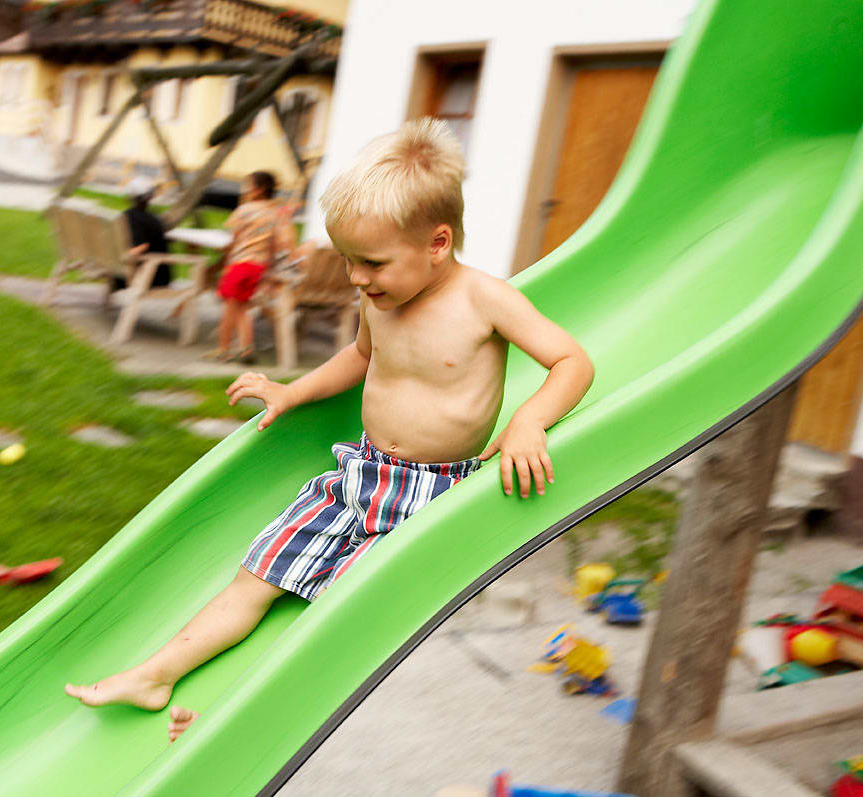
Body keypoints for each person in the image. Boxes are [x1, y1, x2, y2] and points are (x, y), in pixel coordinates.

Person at [65, 119, 595, 742]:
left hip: (430, 496)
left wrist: (529, 420)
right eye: (347, 260)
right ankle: (155, 675)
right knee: (258, 573)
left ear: (438, 242)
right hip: (357, 473)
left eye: (372, 263)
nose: (357, 278)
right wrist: (292, 391)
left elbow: (572, 361)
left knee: (334, 615)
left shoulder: (486, 300)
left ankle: (233, 719)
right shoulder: (379, 300)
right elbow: (360, 357)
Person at [208, 170, 292, 364]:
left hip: (240, 264)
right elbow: (276, 244)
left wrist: (225, 256)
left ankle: (223, 349)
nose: (243, 189)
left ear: (258, 189)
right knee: (243, 308)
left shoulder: (245, 210)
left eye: (247, 185)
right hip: (258, 267)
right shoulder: (274, 213)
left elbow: (233, 239)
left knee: (229, 309)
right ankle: (246, 349)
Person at [110, 175, 172, 294]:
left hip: (122, 274)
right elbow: (142, 246)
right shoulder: (150, 220)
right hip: (152, 277)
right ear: (150, 197)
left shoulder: (125, 216)